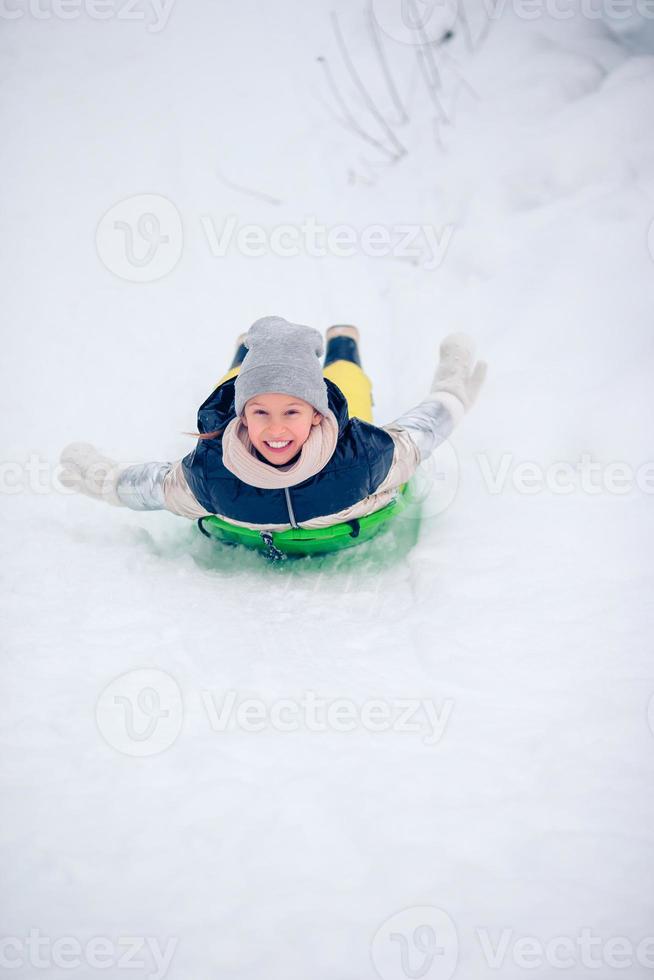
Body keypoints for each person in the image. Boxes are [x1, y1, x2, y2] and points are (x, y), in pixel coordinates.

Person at [60, 315, 487, 531]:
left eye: (292, 413)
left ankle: (342, 342)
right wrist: (107, 480)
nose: (275, 429)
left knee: (349, 386)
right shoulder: (215, 472)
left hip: (332, 416)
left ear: (316, 416)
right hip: (248, 398)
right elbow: (159, 486)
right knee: (231, 383)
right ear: (241, 418)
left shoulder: (360, 457)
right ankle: (246, 352)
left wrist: (450, 393)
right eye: (259, 413)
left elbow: (416, 437)